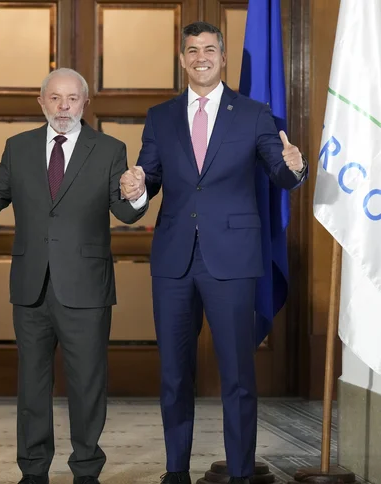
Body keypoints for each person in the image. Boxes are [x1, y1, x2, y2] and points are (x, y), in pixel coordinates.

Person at [126, 21, 307, 484]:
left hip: (233, 257)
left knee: (239, 377)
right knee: (173, 375)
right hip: (173, 261)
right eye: (192, 50)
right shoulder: (160, 116)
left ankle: (242, 474)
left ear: (223, 58)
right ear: (182, 59)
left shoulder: (252, 112)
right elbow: (148, 178)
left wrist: (295, 168)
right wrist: (135, 190)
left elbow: (279, 172)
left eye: (210, 49)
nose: (201, 57)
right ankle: (175, 472)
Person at [0, 67, 148, 484]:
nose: (63, 107)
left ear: (85, 103)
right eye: (55, 98)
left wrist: (138, 193)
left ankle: (86, 471)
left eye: (72, 99)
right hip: (31, 285)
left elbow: (126, 211)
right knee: (32, 384)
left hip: (87, 288)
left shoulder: (110, 149)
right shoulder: (18, 146)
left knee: (88, 384)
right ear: (41, 102)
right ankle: (34, 471)